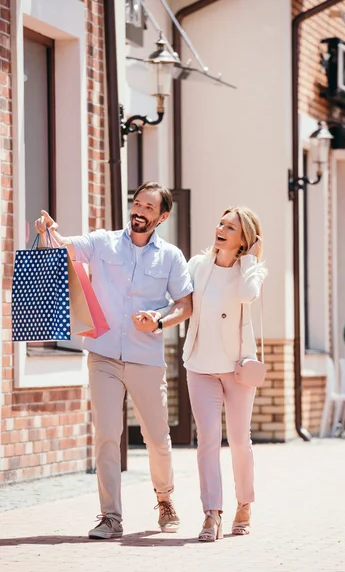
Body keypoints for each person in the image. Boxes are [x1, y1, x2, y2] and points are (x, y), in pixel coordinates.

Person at [34, 182, 193, 540]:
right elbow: (63, 248)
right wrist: (49, 231)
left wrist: (159, 320)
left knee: (157, 437)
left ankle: (165, 499)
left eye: (149, 208)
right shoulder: (103, 242)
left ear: (162, 216)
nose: (139, 211)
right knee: (107, 435)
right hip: (103, 354)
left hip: (146, 358)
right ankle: (110, 516)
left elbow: (185, 304)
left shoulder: (170, 256)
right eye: (137, 204)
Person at [183, 206, 266, 541]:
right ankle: (211, 513)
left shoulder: (252, 272)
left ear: (244, 238)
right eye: (221, 223)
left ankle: (244, 504)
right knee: (207, 441)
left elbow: (247, 295)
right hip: (200, 366)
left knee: (239, 441)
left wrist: (249, 260)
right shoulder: (198, 265)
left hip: (237, 369)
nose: (221, 229)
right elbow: (182, 302)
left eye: (231, 227)